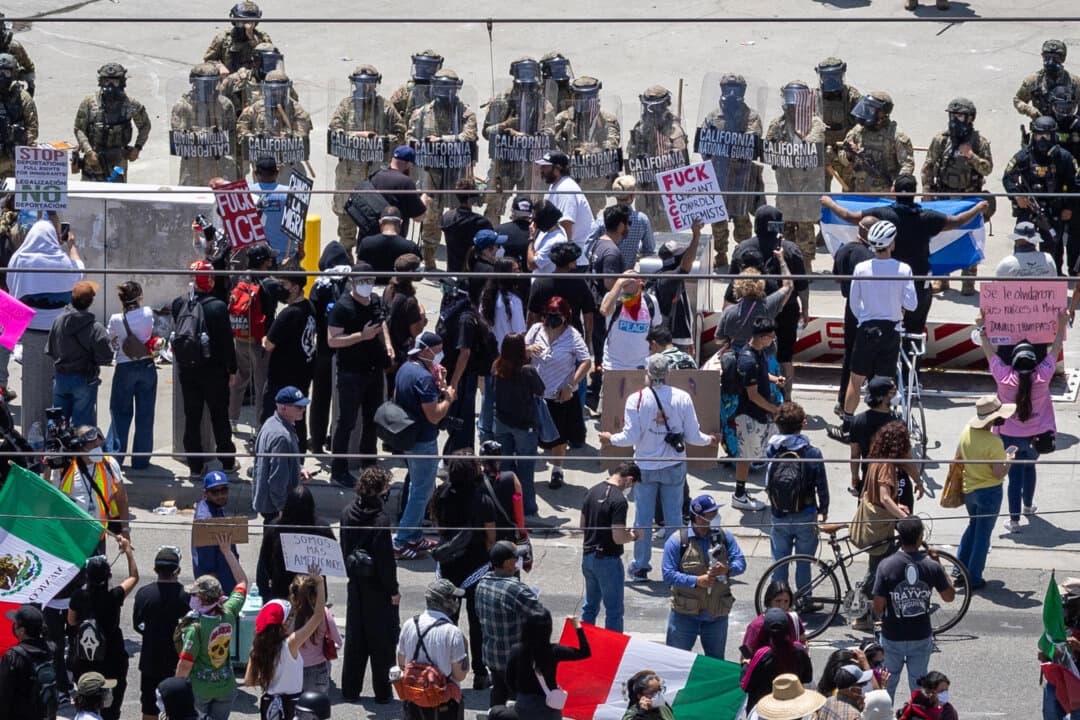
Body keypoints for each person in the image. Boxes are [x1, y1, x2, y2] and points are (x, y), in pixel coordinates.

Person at [601, 355, 718, 581]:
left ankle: (641, 566)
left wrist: (610, 439)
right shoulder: (682, 398)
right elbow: (694, 435)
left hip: (644, 466)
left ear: (647, 373)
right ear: (668, 373)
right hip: (674, 465)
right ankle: (675, 564)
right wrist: (710, 440)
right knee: (674, 518)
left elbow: (629, 436)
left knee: (643, 519)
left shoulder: (635, 400)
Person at [978, 318, 1065, 533]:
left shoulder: (1004, 378)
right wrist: (1061, 325)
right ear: (1035, 361)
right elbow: (1055, 349)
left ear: (1013, 362)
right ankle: (1028, 506)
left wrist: (982, 329)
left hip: (1009, 437)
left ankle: (1014, 520)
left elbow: (989, 352)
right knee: (1030, 468)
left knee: (1014, 477)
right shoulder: (1043, 377)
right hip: (1038, 438)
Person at [7, 215, 84, 434]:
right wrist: (72, 247)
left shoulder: (19, 259)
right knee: (56, 386)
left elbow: (13, 291)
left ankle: (32, 432)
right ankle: (55, 435)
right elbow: (79, 274)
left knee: (31, 386)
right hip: (60, 335)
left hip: (30, 333)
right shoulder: (63, 261)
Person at [838, 220, 917, 435]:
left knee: (856, 379)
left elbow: (854, 303)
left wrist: (866, 315)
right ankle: (884, 425)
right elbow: (912, 304)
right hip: (891, 329)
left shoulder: (861, 269)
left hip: (867, 329)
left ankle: (847, 425)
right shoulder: (903, 269)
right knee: (886, 381)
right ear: (892, 243)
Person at [726, 207, 810, 401]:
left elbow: (731, 283)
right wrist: (805, 309)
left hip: (751, 311)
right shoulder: (790, 249)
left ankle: (749, 392)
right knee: (785, 357)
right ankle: (786, 398)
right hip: (786, 310)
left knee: (749, 351)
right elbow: (802, 285)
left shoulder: (742, 248)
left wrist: (730, 311)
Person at [432, 454, 497, 692]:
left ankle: (444, 670)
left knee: (446, 621)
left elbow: (438, 527)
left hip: (448, 567)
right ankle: (480, 672)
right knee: (477, 624)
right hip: (476, 567)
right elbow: (491, 536)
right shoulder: (482, 498)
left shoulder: (441, 494)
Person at [872, 516, 955, 698]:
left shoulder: (886, 566)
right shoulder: (931, 566)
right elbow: (949, 596)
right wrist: (938, 563)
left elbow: (877, 606)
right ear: (920, 537)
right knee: (919, 689)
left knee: (887, 686)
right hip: (920, 636)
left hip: (892, 636)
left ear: (899, 537)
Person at [408, 69, 479, 271]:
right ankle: (428, 256)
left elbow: (470, 135)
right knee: (431, 212)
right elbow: (410, 137)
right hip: (431, 170)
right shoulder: (421, 113)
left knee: (460, 213)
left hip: (456, 169)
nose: (443, 91)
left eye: (448, 88)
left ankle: (461, 256)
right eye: (440, 87)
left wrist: (443, 140)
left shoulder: (465, 112)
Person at [327, 261, 391, 484]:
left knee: (372, 419)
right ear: (352, 282)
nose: (366, 286)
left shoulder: (374, 300)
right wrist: (360, 337)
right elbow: (332, 340)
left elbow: (381, 322)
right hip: (350, 374)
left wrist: (388, 345)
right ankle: (339, 469)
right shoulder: (342, 307)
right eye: (362, 282)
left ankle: (369, 462)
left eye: (370, 282)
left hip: (373, 371)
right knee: (346, 422)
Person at [340, 467, 400, 703]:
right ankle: (383, 693)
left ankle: (351, 690)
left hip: (355, 586)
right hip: (377, 590)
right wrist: (393, 590)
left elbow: (345, 549)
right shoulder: (380, 521)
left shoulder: (347, 514)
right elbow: (386, 563)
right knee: (381, 643)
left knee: (355, 639)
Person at [328, 64, 406, 247]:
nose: (365, 87)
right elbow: (334, 129)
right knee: (346, 222)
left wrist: (384, 140)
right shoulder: (346, 105)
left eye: (369, 83)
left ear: (375, 84)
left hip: (375, 173)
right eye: (361, 83)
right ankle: (346, 261)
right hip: (349, 173)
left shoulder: (385, 107)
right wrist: (356, 136)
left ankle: (367, 262)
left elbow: (401, 132)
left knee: (374, 222)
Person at [172, 260, 238, 477]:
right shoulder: (218, 307)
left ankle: (195, 466)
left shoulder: (178, 304)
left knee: (192, 417)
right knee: (219, 416)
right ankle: (227, 462)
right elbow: (228, 343)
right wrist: (232, 369)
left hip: (187, 370)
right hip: (215, 372)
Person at [922, 98, 994, 296]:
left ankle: (968, 280)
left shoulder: (979, 142)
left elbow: (987, 169)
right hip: (943, 197)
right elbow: (928, 166)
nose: (955, 120)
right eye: (952, 116)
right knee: (941, 237)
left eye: (960, 116)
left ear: (970, 118)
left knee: (969, 237)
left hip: (968, 197)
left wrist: (971, 156)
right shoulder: (941, 140)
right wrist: (927, 192)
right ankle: (941, 278)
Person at [393, 331, 455, 557]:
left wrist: (438, 383)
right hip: (423, 442)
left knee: (417, 488)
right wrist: (447, 397)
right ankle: (402, 541)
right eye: (437, 351)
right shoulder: (422, 378)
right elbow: (434, 416)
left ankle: (414, 536)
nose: (440, 355)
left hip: (411, 439)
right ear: (425, 350)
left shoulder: (405, 369)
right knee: (422, 491)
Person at [661, 494, 745, 659]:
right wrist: (696, 581)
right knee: (676, 660)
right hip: (685, 615)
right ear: (698, 518)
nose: (715, 517)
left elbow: (740, 562)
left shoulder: (723, 536)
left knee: (715, 664)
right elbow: (668, 574)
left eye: (715, 513)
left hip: (717, 615)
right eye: (710, 514)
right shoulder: (677, 541)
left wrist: (727, 570)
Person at [852, 420, 917, 630]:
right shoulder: (887, 466)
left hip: (873, 519)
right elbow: (885, 498)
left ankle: (872, 607)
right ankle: (861, 614)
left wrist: (919, 482)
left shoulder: (876, 459)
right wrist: (903, 517)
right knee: (876, 568)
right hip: (878, 525)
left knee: (879, 563)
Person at [68, 537, 138, 720]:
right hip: (112, 659)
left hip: (84, 661)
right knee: (112, 707)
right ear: (108, 576)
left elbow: (71, 621)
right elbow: (133, 577)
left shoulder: (78, 596)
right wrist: (128, 552)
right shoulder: (114, 596)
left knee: (87, 700)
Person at [526, 296, 592, 489]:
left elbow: (586, 361)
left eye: (557, 316)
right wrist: (528, 349)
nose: (552, 319)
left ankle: (557, 470)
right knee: (530, 435)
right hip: (535, 395)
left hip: (559, 396)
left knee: (560, 437)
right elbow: (520, 350)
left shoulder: (572, 335)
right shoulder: (536, 329)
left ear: (565, 316)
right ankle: (527, 468)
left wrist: (571, 385)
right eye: (549, 315)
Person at [176, 548, 249, 720]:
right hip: (226, 687)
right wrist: (227, 552)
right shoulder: (229, 612)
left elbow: (184, 666)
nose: (192, 597)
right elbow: (242, 581)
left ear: (202, 599)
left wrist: (174, 693)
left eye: (194, 594)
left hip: (200, 691)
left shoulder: (196, 628)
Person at [243, 567, 325, 720]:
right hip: (292, 705)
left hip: (269, 706)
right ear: (283, 623)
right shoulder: (291, 644)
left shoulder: (257, 649)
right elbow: (318, 616)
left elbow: (249, 681)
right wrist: (320, 583)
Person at [700, 73, 763, 268]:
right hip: (720, 175)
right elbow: (704, 145)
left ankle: (744, 251)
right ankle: (721, 252)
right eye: (728, 88)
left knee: (742, 218)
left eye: (736, 88)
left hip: (742, 177)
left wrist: (730, 145)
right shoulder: (713, 116)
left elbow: (752, 141)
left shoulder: (751, 116)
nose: (732, 93)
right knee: (718, 220)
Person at [766, 402, 829, 595]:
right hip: (806, 513)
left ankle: (778, 599)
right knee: (804, 562)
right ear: (803, 423)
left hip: (779, 513)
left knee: (780, 560)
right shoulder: (812, 452)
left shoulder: (773, 449)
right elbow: (821, 485)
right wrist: (823, 508)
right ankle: (803, 598)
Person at [1003, 115, 1079, 274]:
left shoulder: (1064, 157)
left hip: (1054, 211)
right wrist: (1017, 196)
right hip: (1028, 209)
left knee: (1052, 250)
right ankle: (1021, 283)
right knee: (1021, 245)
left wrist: (1069, 208)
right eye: (1038, 135)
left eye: (1046, 136)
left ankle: (1052, 285)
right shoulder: (1024, 155)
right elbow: (1007, 177)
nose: (1042, 140)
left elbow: (1076, 184)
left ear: (1053, 136)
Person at [955, 396, 1017, 590]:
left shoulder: (966, 431)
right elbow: (999, 473)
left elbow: (958, 456)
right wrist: (1009, 459)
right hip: (989, 491)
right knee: (983, 534)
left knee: (972, 527)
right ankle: (973, 578)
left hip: (969, 489)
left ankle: (958, 570)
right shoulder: (994, 442)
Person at [476, 540, 545, 705]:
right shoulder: (516, 589)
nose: (519, 561)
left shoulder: (482, 583)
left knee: (498, 691)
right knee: (519, 701)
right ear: (507, 563)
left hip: (492, 656)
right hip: (514, 660)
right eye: (516, 558)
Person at [765, 80, 828, 262]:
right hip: (786, 186)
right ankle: (787, 263)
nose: (793, 106)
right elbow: (769, 146)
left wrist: (801, 139)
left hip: (808, 188)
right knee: (785, 231)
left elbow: (813, 145)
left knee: (806, 230)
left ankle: (806, 263)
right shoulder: (778, 123)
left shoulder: (815, 123)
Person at [580, 462, 641, 631]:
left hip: (588, 557)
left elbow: (582, 525)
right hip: (607, 560)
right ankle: (612, 649)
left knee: (590, 606)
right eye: (633, 485)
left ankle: (582, 644)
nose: (631, 489)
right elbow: (618, 537)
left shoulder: (592, 491)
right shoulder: (619, 500)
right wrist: (634, 536)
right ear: (629, 480)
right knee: (614, 611)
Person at [396, 579, 469, 720]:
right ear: (445, 602)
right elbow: (459, 675)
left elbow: (401, 663)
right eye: (454, 598)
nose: (456, 601)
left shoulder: (409, 624)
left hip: (414, 699)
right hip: (443, 704)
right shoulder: (453, 632)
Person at [731, 318, 783, 511]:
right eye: (771, 336)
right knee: (745, 457)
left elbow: (761, 375)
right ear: (762, 337)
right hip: (748, 415)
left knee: (767, 452)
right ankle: (739, 495)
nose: (773, 339)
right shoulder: (748, 360)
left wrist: (774, 379)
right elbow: (752, 395)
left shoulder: (759, 353)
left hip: (761, 414)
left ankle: (748, 491)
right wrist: (775, 410)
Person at [491, 333, 545, 515]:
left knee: (505, 467)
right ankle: (527, 508)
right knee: (525, 470)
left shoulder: (497, 366)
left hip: (501, 422)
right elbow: (540, 390)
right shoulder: (527, 370)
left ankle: (506, 505)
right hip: (524, 427)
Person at [104, 280, 157, 469]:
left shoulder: (115, 319)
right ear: (140, 296)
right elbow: (149, 334)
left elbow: (113, 344)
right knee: (145, 414)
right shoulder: (148, 313)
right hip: (146, 365)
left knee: (120, 413)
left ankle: (115, 458)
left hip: (124, 367)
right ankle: (141, 460)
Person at [133, 547, 190, 720]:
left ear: (155, 570)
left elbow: (137, 625)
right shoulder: (187, 596)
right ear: (177, 571)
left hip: (151, 661)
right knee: (178, 710)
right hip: (178, 662)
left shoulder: (144, 594)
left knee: (149, 708)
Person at [227, 242, 279, 430]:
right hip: (261, 342)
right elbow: (286, 294)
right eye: (269, 259)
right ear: (263, 262)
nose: (272, 261)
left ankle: (232, 419)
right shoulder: (269, 283)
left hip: (240, 338)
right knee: (261, 385)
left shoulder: (239, 278)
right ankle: (260, 426)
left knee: (240, 379)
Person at [259, 272, 316, 439]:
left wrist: (264, 339)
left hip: (282, 378)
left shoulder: (288, 314)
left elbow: (269, 344)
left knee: (271, 420)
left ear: (296, 287)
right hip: (303, 375)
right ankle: (299, 460)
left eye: (283, 284)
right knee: (298, 419)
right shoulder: (309, 307)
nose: (280, 288)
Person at [47, 281, 110, 428]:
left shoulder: (58, 321)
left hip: (61, 377)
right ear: (91, 301)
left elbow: (50, 349)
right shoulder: (96, 328)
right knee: (83, 427)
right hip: (84, 379)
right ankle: (80, 451)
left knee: (57, 425)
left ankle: (55, 450)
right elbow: (106, 356)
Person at [73, 62, 151, 181]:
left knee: (116, 194)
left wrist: (137, 148)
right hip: (94, 159)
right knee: (90, 195)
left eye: (115, 82)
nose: (110, 86)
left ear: (122, 83)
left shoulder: (130, 104)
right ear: (101, 82)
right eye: (106, 81)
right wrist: (89, 151)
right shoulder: (89, 102)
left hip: (119, 160)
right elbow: (79, 129)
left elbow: (145, 126)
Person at [848, 377, 922, 501]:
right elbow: (906, 459)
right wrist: (918, 481)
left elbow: (855, 455)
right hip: (897, 482)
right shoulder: (898, 424)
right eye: (892, 393)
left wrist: (855, 477)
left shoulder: (857, 421)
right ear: (883, 397)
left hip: (870, 479)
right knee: (901, 517)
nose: (895, 396)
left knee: (869, 517)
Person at [507, 611, 591, 719]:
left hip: (524, 704)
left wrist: (521, 695)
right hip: (549, 706)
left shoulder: (516, 650)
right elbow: (585, 652)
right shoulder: (555, 651)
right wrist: (577, 626)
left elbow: (509, 679)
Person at [831, 217, 876, 417]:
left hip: (849, 307)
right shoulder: (868, 257)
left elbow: (836, 276)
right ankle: (875, 402)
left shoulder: (843, 250)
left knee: (849, 356)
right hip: (867, 310)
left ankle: (842, 400)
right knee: (871, 358)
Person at [257, 485, 334, 601]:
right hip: (313, 593)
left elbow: (265, 562)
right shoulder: (322, 528)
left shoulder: (275, 528)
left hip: (283, 592)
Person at [57, 425, 131, 543]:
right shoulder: (65, 468)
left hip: (97, 536)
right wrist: (48, 468)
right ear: (80, 447)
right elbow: (47, 497)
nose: (98, 450)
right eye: (94, 446)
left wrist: (125, 531)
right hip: (70, 538)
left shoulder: (109, 464)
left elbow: (121, 498)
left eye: (99, 446)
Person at [171, 62, 238, 186]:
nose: (208, 87)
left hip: (218, 166)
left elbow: (232, 135)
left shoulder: (225, 105)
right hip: (192, 167)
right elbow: (179, 137)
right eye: (204, 83)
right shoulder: (183, 106)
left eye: (211, 83)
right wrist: (207, 134)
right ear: (194, 83)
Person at [251, 386, 312, 524]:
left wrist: (298, 469)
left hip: (270, 505)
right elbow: (277, 481)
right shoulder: (282, 437)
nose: (303, 409)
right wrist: (284, 510)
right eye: (298, 407)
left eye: (303, 406)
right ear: (283, 407)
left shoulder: (271, 423)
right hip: (277, 509)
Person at [741, 608, 815, 713]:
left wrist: (745, 665)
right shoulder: (799, 650)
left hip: (764, 710)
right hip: (792, 709)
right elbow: (808, 678)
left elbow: (746, 685)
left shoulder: (762, 655)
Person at [838, 91, 912, 194]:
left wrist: (897, 187)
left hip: (885, 194)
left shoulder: (896, 135)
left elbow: (907, 164)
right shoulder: (858, 131)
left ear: (883, 113)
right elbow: (843, 159)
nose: (866, 111)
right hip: (858, 191)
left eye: (871, 109)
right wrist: (850, 154)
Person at [527, 241, 596, 339]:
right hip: (573, 338)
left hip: (545, 336)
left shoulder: (540, 283)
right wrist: (588, 340)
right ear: (570, 263)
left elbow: (532, 315)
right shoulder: (580, 284)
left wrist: (530, 338)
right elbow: (588, 315)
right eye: (574, 261)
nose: (576, 264)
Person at [0, 604, 58, 720]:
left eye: (15, 623)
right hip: (44, 713)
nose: (13, 626)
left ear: (22, 631)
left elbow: (4, 695)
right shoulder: (51, 649)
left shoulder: (13, 656)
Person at [600, 271, 663, 372]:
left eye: (631, 279)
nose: (627, 281)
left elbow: (656, 325)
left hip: (641, 365)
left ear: (639, 282)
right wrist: (619, 283)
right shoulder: (614, 298)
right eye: (625, 279)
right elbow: (604, 310)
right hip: (613, 365)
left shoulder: (650, 301)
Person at [290, 574, 340, 694]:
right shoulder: (323, 613)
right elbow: (338, 641)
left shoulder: (290, 615)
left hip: (293, 669)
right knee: (318, 709)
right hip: (318, 669)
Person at [369, 145, 430, 239]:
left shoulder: (375, 176)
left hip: (370, 237)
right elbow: (419, 217)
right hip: (394, 241)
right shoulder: (406, 183)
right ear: (409, 164)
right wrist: (424, 201)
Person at [192, 471, 240, 591]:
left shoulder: (215, 507)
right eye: (215, 492)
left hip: (226, 574)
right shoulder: (206, 520)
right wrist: (213, 586)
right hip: (218, 583)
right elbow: (205, 557)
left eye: (223, 490)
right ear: (205, 493)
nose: (220, 495)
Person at [1013, 39, 1080, 119]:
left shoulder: (1074, 82)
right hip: (1043, 125)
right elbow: (1018, 100)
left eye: (1055, 58)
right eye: (1047, 57)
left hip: (1067, 123)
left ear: (1063, 59)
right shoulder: (1033, 81)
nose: (1050, 62)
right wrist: (1030, 111)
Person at [202, 1, 271, 73]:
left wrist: (252, 39)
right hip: (229, 80)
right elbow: (208, 60)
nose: (246, 27)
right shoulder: (223, 38)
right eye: (241, 22)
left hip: (255, 80)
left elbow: (270, 60)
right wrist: (219, 66)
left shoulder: (262, 38)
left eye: (250, 22)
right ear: (234, 21)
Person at [440, 180, 493, 274]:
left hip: (451, 272)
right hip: (471, 274)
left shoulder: (447, 217)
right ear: (469, 199)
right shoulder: (481, 222)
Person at [355, 207, 422, 279]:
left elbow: (359, 268)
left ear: (380, 222)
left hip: (372, 286)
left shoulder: (366, 243)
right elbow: (418, 276)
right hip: (398, 287)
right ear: (401, 223)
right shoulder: (411, 247)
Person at [742, 581, 805, 655]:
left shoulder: (794, 620)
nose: (782, 606)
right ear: (769, 601)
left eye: (786, 601)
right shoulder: (756, 626)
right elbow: (745, 656)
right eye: (778, 601)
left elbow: (803, 641)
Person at [813, 663, 878, 720]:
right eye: (863, 683)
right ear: (853, 689)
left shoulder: (826, 702)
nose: (866, 685)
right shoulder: (854, 716)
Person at [528, 199, 567, 275]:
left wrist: (531, 238)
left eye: (535, 219)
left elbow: (531, 265)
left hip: (546, 284)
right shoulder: (546, 233)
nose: (533, 223)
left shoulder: (556, 241)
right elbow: (534, 255)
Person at [497, 196, 534, 268]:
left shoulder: (500, 229)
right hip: (529, 275)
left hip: (505, 274)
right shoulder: (537, 232)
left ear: (513, 211)